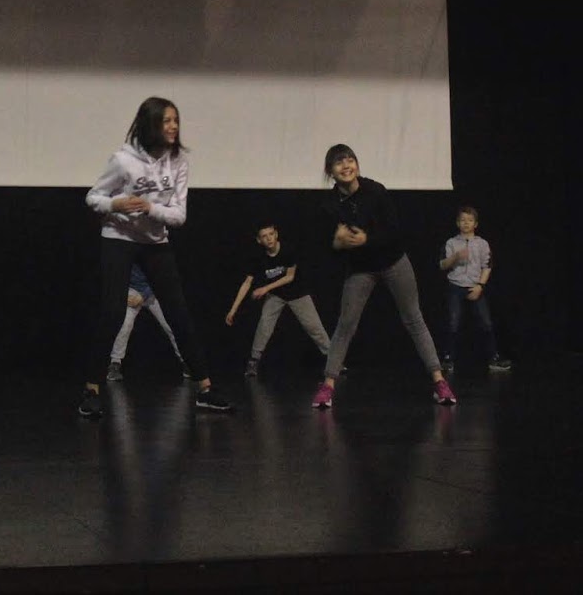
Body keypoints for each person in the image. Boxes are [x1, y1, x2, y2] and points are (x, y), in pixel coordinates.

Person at [80, 97, 232, 418]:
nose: (173, 127)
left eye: (176, 120)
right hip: (119, 238)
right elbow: (93, 197)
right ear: (151, 124)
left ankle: (205, 388)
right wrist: (115, 205)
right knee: (112, 313)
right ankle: (92, 390)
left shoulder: (178, 162)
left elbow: (178, 216)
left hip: (155, 241)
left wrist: (150, 208)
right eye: (166, 121)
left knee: (179, 313)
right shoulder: (123, 160)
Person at [310, 144, 456, 409]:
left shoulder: (375, 191)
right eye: (339, 163)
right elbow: (328, 250)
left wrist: (366, 239)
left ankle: (439, 381)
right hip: (360, 270)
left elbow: (394, 232)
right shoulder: (329, 205)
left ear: (357, 164)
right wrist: (337, 243)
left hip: (393, 261)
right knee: (346, 324)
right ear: (330, 172)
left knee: (413, 319)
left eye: (350, 160)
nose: (346, 166)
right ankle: (327, 385)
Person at [225, 222, 332, 377]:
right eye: (264, 236)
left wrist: (265, 288)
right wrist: (233, 310)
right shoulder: (258, 257)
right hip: (276, 295)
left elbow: (290, 277)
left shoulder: (288, 250)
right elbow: (247, 283)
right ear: (259, 240)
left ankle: (333, 361)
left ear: (276, 234)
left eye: (271, 234)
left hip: (298, 294)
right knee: (264, 326)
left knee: (314, 327)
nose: (269, 238)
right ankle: (253, 362)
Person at [436, 206, 511, 373]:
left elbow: (487, 266)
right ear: (457, 223)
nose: (466, 223)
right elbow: (442, 265)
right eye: (463, 220)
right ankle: (448, 358)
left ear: (476, 224)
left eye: (470, 220)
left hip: (475, 286)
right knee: (453, 322)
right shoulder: (451, 242)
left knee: (486, 322)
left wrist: (480, 286)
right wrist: (455, 257)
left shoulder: (482, 244)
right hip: (455, 286)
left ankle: (494, 358)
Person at [108, 264, 190, 381]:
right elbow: (116, 276)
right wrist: (123, 295)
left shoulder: (154, 255)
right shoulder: (125, 254)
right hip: (132, 291)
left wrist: (143, 295)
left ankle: (187, 361)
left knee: (171, 324)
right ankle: (115, 364)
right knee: (124, 324)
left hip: (154, 291)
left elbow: (160, 278)